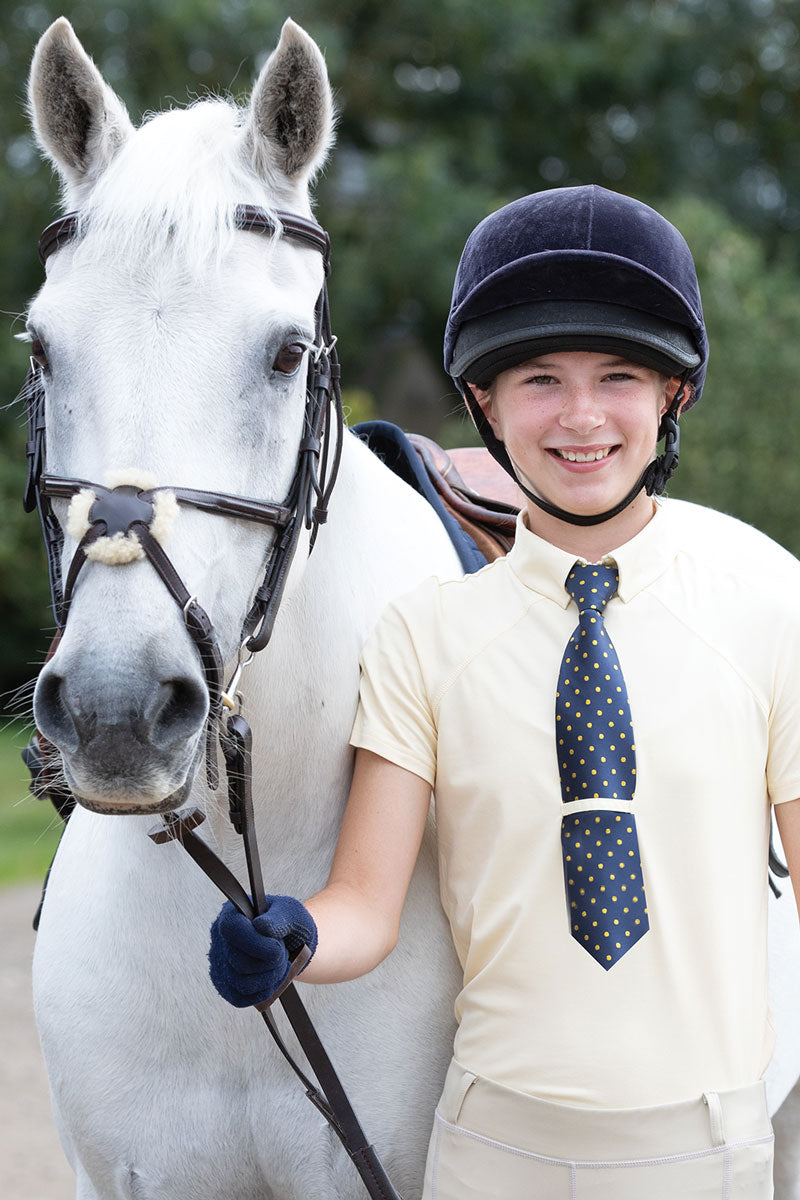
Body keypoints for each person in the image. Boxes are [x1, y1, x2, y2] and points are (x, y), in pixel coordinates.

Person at [208, 184, 800, 1198]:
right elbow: (366, 902)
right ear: (483, 402)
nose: (578, 417)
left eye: (618, 375)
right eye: (536, 379)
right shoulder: (424, 637)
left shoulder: (768, 602)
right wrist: (294, 936)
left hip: (703, 1150)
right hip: (490, 1150)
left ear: (672, 395)